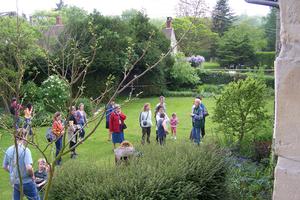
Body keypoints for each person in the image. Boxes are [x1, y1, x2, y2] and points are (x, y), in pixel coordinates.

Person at [2, 129, 40, 200]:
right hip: (26, 182)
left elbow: (4, 166)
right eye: (26, 137)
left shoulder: (9, 149)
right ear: (23, 137)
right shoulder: (25, 150)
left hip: (15, 182)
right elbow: (29, 168)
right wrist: (32, 176)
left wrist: (13, 171)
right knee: (35, 198)